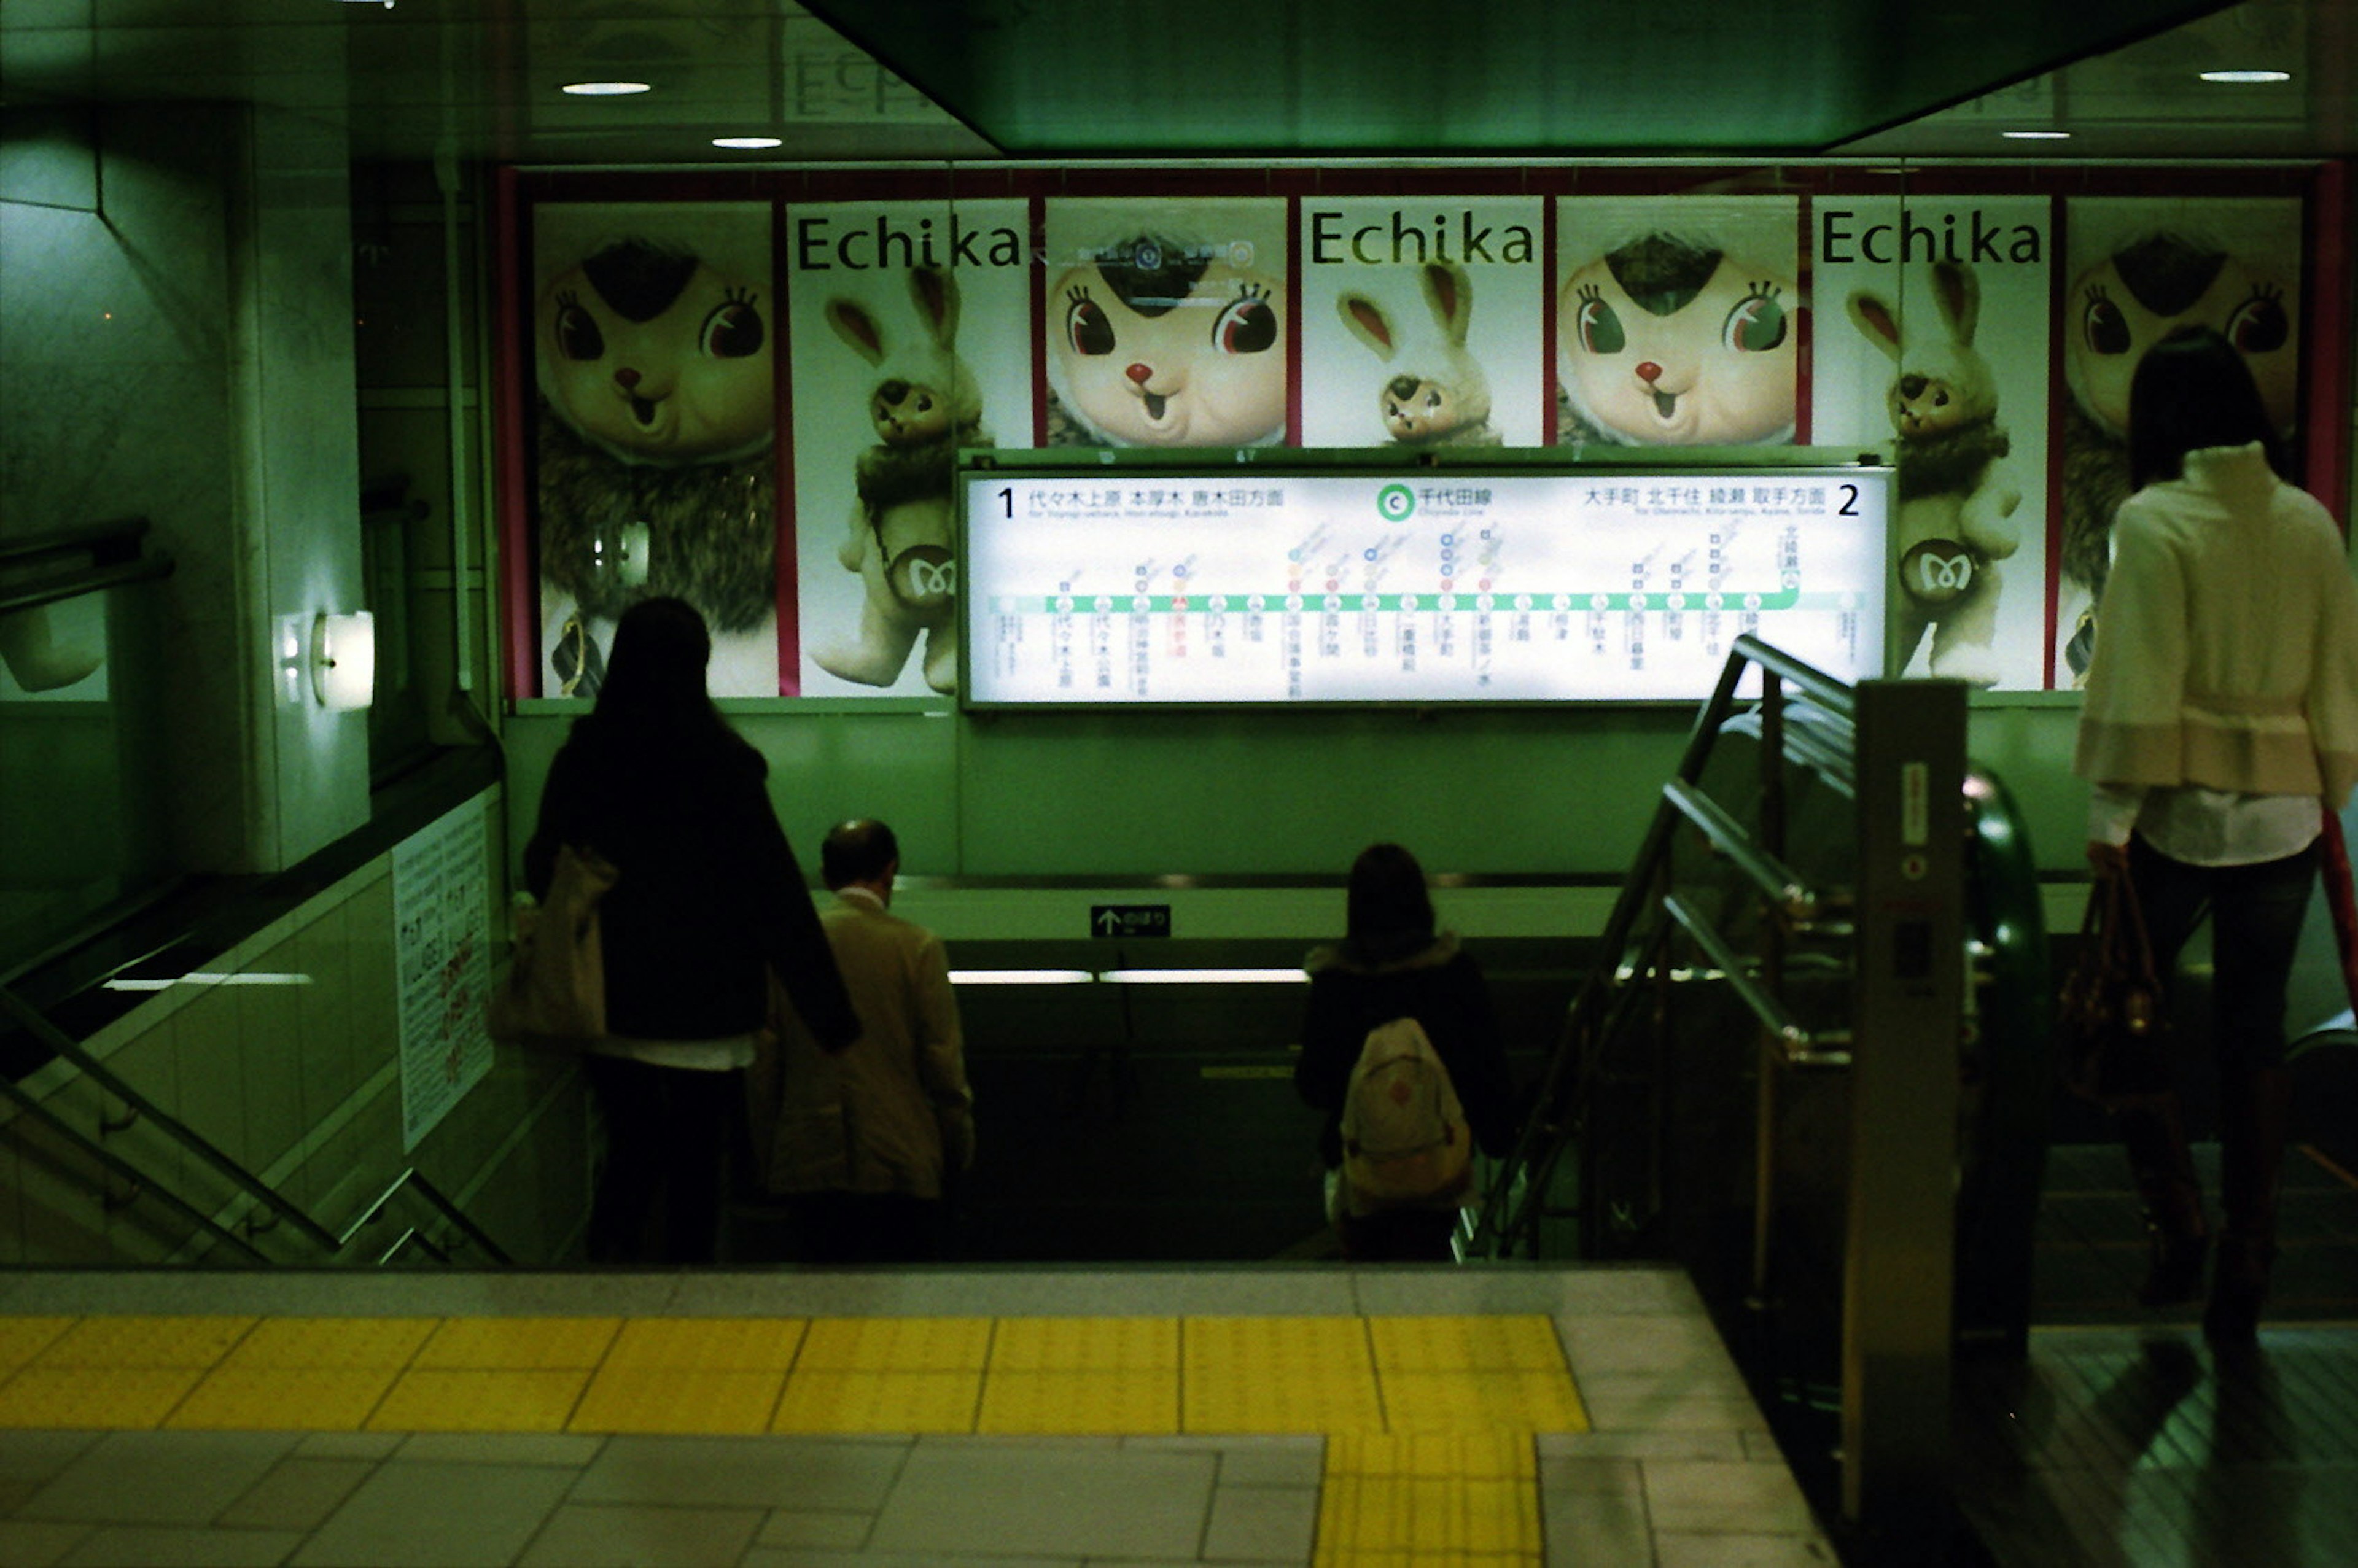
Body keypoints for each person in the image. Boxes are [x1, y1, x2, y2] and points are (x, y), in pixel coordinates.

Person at [2073, 325, 2358, 1346]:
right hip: (2285, 813)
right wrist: (2330, 778)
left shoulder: (2155, 522)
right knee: (2254, 1032)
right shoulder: (2310, 520)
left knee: (2114, 1013)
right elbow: (2338, 668)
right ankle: (2252, 1247)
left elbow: (2136, 676)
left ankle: (2175, 1215)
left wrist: (2108, 821)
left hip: (2174, 814)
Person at [523, 597, 858, 1264]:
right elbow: (777, 892)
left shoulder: (584, 759)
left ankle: (605, 1284)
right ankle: (688, 1303)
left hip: (610, 999)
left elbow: (539, 868)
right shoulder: (725, 766)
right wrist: (829, 1016)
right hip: (707, 1011)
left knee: (631, 1148)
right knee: (698, 1166)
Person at [755, 818, 975, 1263]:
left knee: (821, 1311)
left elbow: (765, 1068)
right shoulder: (917, 949)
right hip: (900, 1160)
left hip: (808, 1160)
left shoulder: (788, 950)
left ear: (827, 873)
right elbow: (943, 1067)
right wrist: (957, 1145)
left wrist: (769, 1157)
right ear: (890, 870)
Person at [1293, 842, 1519, 1260]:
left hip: (1361, 1166)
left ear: (1355, 906)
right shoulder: (1455, 972)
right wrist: (1499, 1136)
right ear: (1421, 901)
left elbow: (1313, 1086)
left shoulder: (1336, 981)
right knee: (1427, 1267)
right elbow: (1484, 1067)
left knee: (1365, 1276)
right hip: (1439, 1165)